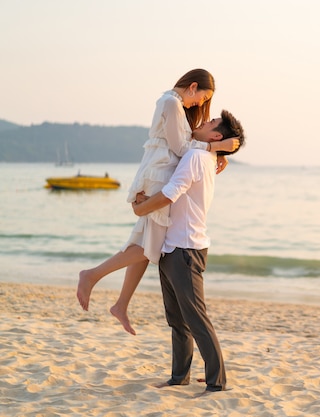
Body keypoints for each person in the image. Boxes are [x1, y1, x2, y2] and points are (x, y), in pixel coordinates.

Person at [76, 69, 239, 335]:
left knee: (145, 242)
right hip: (159, 174)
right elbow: (181, 149)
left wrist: (216, 152)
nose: (200, 105)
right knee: (148, 247)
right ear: (193, 86)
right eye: (202, 98)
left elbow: (185, 144)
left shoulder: (173, 104)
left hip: (161, 173)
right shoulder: (170, 102)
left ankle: (121, 303)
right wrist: (215, 148)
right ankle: (92, 275)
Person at [132, 109, 245, 394]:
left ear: (216, 136)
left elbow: (172, 191)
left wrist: (140, 208)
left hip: (186, 248)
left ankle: (217, 382)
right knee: (177, 319)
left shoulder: (197, 157)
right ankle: (178, 377)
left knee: (195, 318)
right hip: (173, 246)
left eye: (210, 123)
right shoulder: (202, 154)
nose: (203, 122)